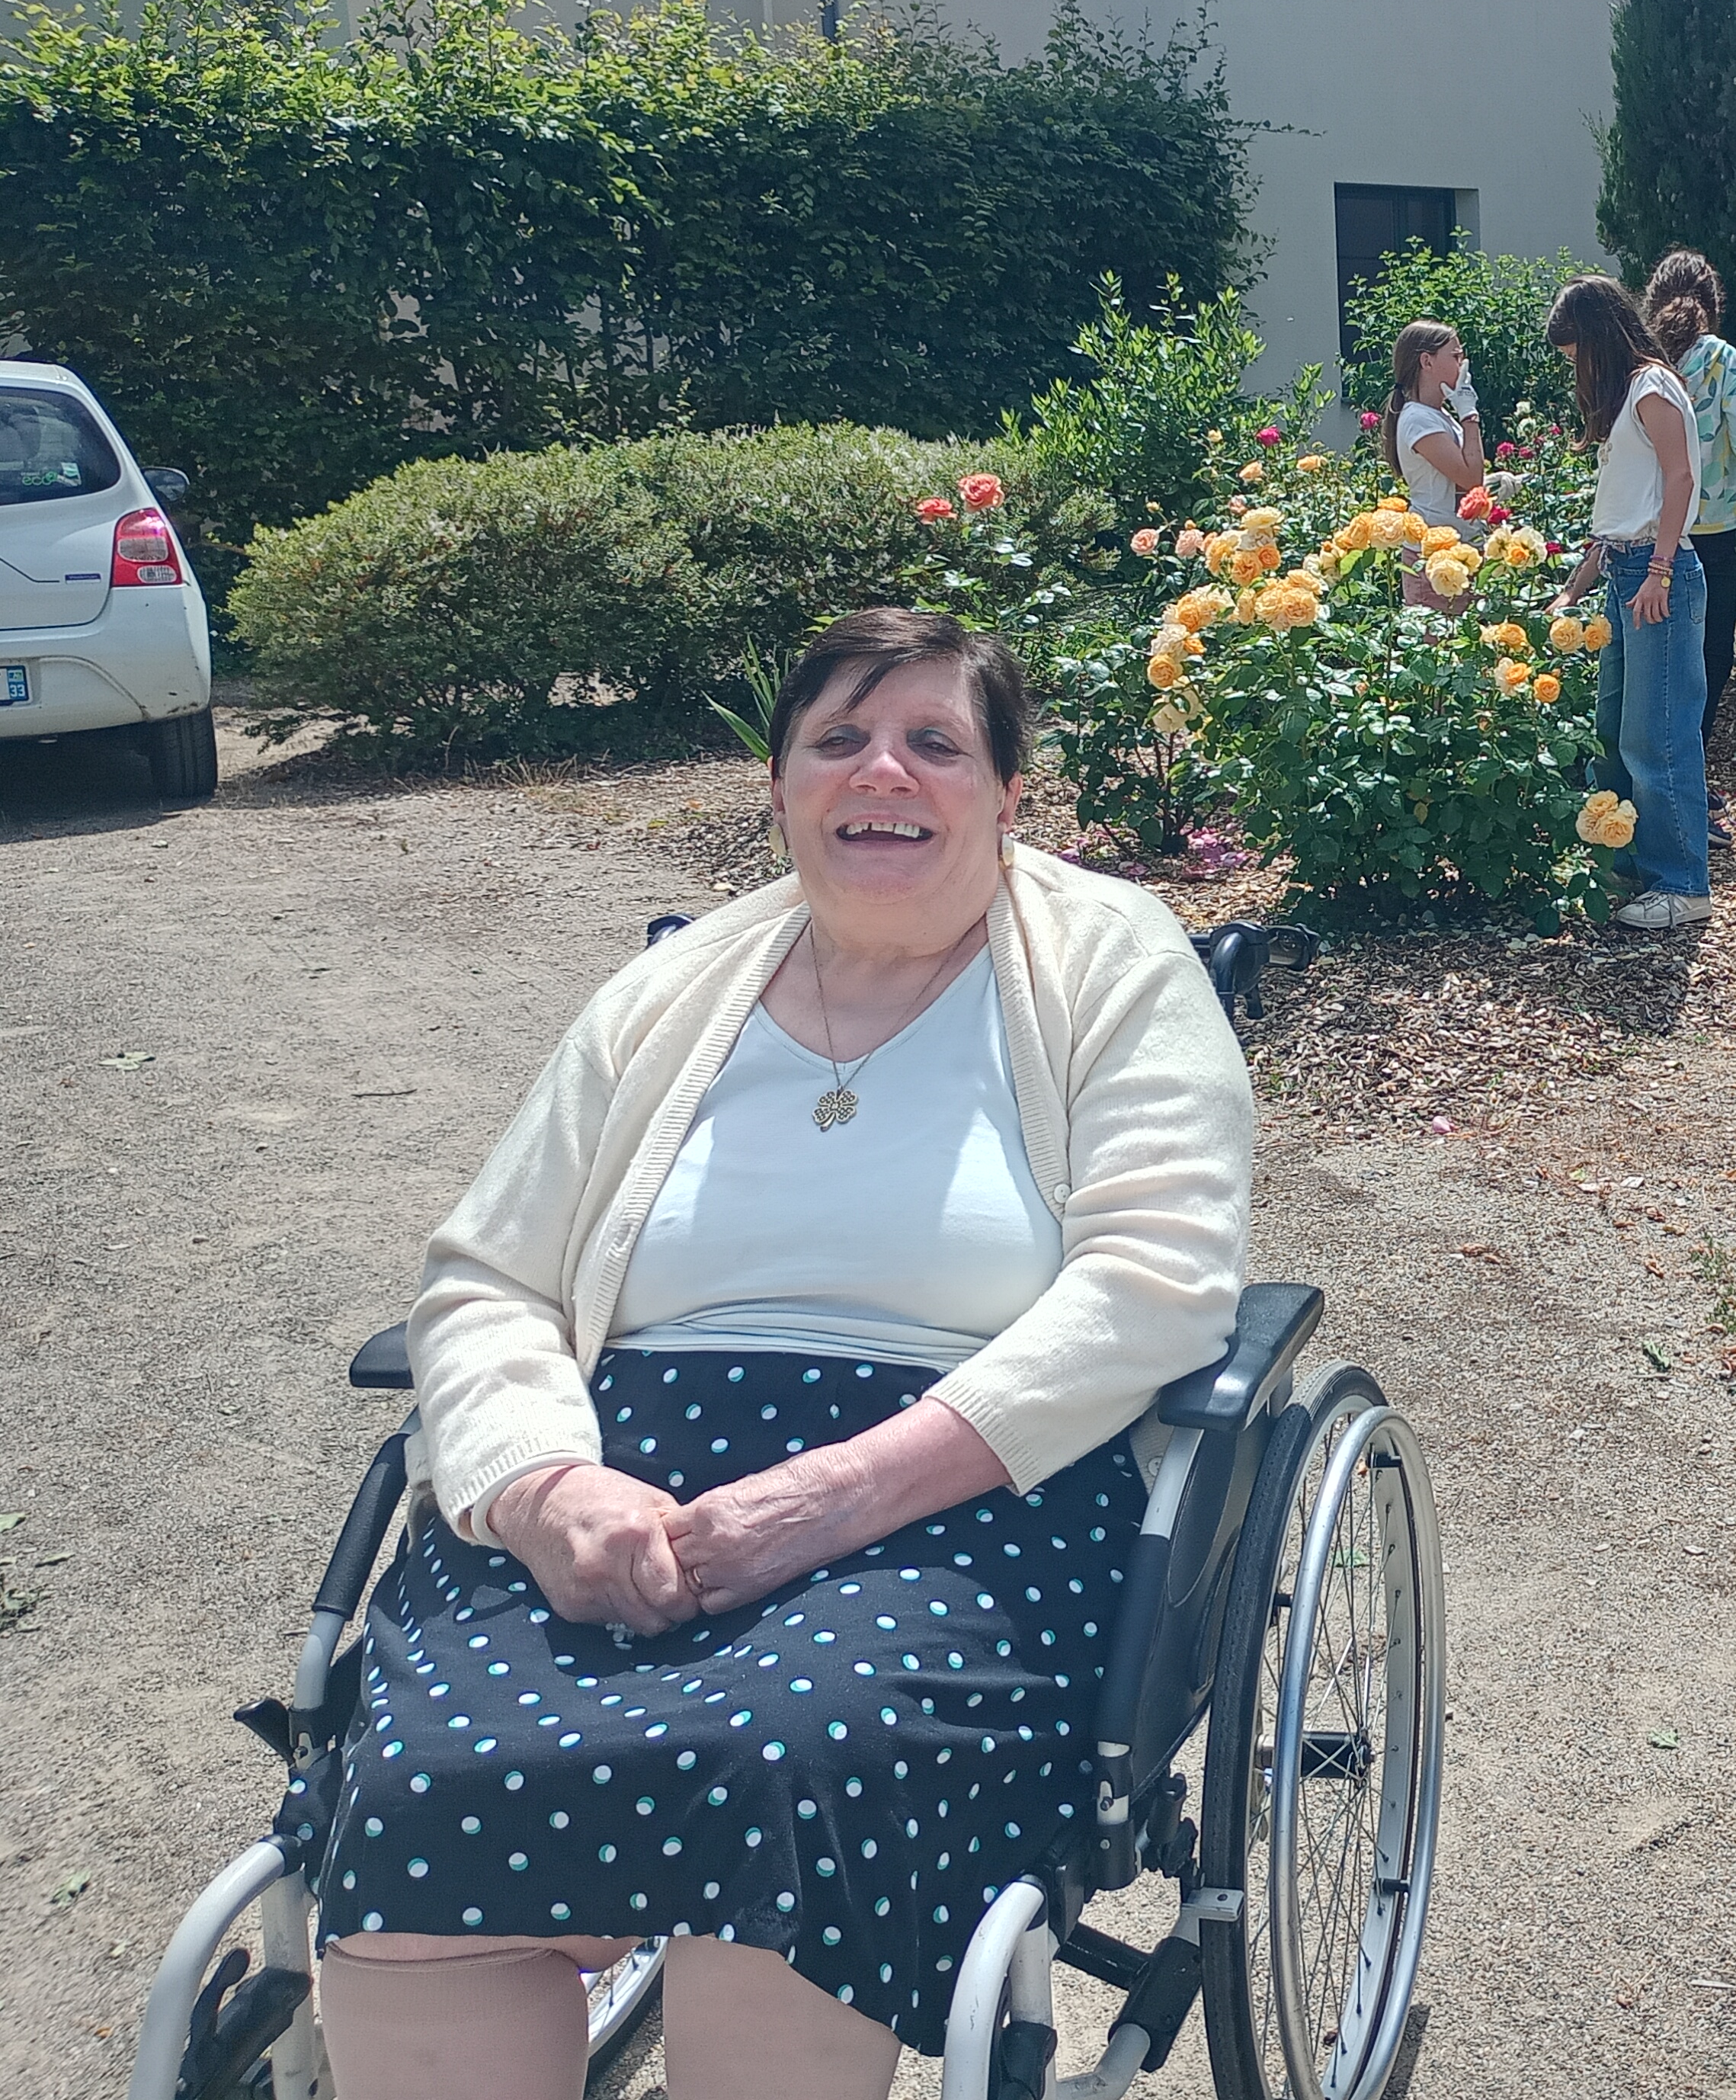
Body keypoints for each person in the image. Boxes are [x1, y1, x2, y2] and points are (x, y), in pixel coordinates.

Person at [308, 608, 1254, 2100]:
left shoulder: (1113, 963)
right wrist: (547, 1490)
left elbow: (1159, 1281)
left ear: (1010, 800)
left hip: (955, 1488)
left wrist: (825, 1500)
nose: (884, 768)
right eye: (839, 739)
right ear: (783, 788)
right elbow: (488, 1273)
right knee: (433, 1792)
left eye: (935, 742)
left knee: (788, 1763)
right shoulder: (672, 990)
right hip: (618, 1482)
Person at [1548, 274, 1709, 930]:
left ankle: (1682, 885)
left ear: (1598, 339)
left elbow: (1680, 478)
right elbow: (1617, 519)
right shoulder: (1628, 398)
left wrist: (1662, 572)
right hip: (1626, 571)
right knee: (1615, 728)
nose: (1575, 371)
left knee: (1658, 733)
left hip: (1654, 575)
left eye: (1575, 355)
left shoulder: (1652, 387)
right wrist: (1571, 590)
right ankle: (1631, 866)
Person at [1642, 249, 1736, 832]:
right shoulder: (1721, 358)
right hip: (1713, 525)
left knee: (1666, 661)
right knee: (1713, 656)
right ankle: (1692, 777)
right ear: (1711, 304)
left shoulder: (1647, 360)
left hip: (1659, 526)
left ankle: (1662, 780)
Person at [1380, 318, 1484, 612]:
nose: (1463, 363)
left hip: (1457, 552)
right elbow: (1469, 479)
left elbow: (1464, 482)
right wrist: (1469, 414)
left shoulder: (1437, 415)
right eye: (1455, 356)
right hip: (1434, 560)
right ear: (1427, 361)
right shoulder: (1418, 419)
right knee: (1439, 653)